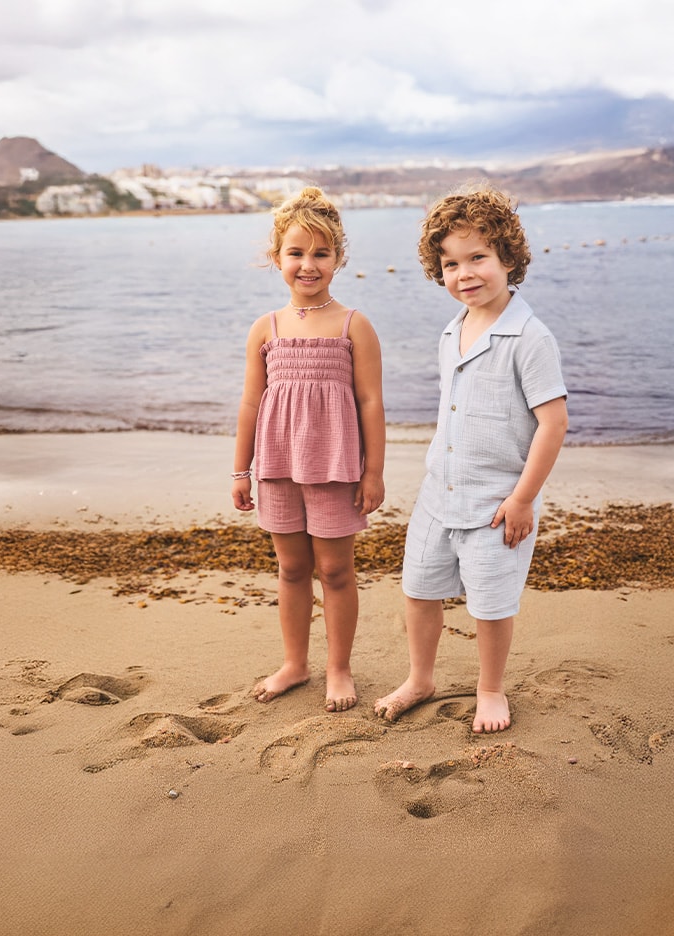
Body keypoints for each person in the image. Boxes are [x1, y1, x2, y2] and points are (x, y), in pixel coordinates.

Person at [374, 183, 568, 733]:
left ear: (507, 256)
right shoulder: (451, 330)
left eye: (478, 257)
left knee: (490, 605)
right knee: (419, 589)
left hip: (497, 503)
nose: (465, 274)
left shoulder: (530, 337)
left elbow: (553, 423)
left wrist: (524, 498)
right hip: (439, 494)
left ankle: (490, 689)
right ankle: (421, 678)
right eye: (451, 263)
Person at [232, 186, 385, 713]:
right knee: (292, 569)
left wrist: (374, 473)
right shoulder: (265, 329)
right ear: (276, 259)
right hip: (276, 467)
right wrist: (239, 471)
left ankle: (338, 668)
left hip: (335, 467)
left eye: (321, 253)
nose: (308, 264)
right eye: (296, 253)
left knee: (337, 571)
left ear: (339, 259)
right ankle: (295, 663)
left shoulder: (353, 325)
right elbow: (251, 403)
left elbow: (370, 404)